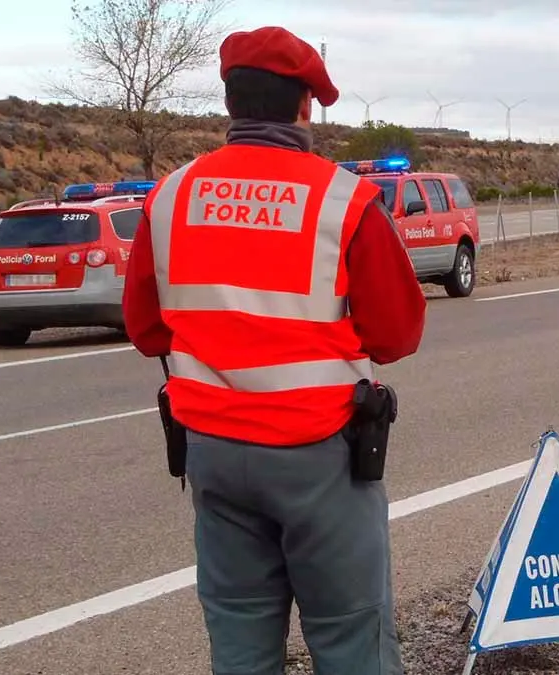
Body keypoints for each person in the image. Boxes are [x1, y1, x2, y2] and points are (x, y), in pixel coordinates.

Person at [121, 25, 427, 675]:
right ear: (304, 107)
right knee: (351, 640)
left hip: (213, 454)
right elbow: (396, 333)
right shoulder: (344, 199)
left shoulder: (171, 196)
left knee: (239, 639)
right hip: (319, 457)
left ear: (231, 103)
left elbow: (146, 328)